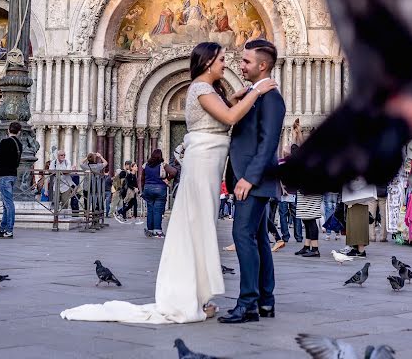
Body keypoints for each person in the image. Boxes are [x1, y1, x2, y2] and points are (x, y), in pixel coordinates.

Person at [61, 41, 276, 324]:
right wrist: (256, 90)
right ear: (209, 62)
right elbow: (229, 117)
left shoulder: (209, 90)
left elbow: (225, 111)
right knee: (197, 228)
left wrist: (242, 93)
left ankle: (200, 296)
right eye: (223, 59)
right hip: (202, 167)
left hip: (209, 165)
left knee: (201, 229)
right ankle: (193, 297)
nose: (228, 64)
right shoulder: (200, 88)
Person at [219, 39, 285, 324]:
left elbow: (268, 143)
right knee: (257, 238)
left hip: (253, 180)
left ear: (263, 66)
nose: (240, 65)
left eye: (246, 61)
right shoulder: (255, 95)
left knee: (242, 236)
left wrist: (248, 177)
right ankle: (265, 301)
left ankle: (248, 304)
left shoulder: (271, 98)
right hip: (248, 179)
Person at [0, 121, 22, 239]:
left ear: (8, 130)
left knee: (8, 203)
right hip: (13, 175)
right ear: (19, 132)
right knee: (5, 204)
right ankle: (3, 229)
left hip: (4, 176)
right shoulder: (19, 144)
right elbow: (18, 161)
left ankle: (9, 230)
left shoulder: (4, 142)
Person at [141, 149, 174, 237]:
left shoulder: (146, 165)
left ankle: (150, 229)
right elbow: (174, 172)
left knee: (150, 209)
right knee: (157, 210)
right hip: (160, 188)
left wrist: (143, 189)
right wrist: (168, 179)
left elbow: (142, 178)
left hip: (148, 188)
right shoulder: (163, 165)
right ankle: (158, 231)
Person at [295, 187, 323, 258]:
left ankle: (315, 249)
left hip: (310, 191)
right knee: (306, 219)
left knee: (310, 218)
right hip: (306, 191)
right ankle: (307, 247)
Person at [51, 150, 75, 214]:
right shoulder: (54, 162)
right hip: (56, 185)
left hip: (66, 185)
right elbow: (51, 171)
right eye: (62, 155)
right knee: (55, 202)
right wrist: (62, 172)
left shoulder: (67, 162)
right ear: (58, 156)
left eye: (64, 155)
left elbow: (68, 171)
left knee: (65, 202)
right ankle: (55, 216)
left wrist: (58, 172)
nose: (63, 156)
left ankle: (64, 216)